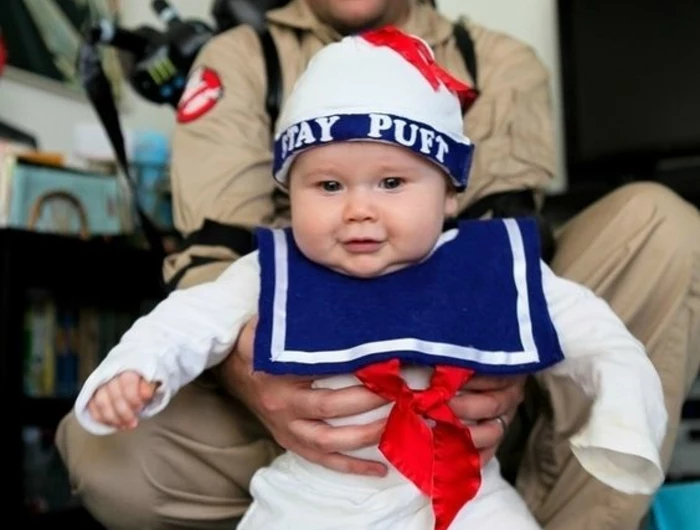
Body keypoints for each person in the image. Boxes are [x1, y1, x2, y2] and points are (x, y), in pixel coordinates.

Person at [55, 1, 700, 529]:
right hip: (309, 447)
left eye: (391, 182)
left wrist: (513, 367)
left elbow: (537, 283)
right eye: (328, 186)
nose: (359, 210)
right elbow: (201, 298)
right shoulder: (243, 61)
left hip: (468, 440)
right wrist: (185, 373)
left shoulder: (498, 60)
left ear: (450, 192)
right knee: (106, 448)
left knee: (660, 222)